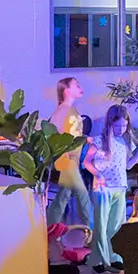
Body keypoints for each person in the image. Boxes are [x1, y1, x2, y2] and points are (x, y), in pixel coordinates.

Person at [85, 103, 138, 273]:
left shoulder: (124, 141)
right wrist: (98, 175)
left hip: (120, 186)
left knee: (116, 225)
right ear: (110, 123)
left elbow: (128, 165)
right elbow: (87, 162)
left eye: (124, 126)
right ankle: (98, 260)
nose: (121, 129)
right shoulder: (99, 141)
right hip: (103, 188)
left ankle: (114, 257)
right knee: (101, 224)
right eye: (118, 126)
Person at [49, 76, 92, 231]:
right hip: (66, 159)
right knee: (82, 195)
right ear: (66, 90)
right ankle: (95, 231)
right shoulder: (63, 110)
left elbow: (72, 133)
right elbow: (53, 134)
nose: (80, 87)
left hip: (73, 159)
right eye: (76, 85)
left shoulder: (71, 110)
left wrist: (85, 139)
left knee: (63, 197)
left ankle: (49, 229)